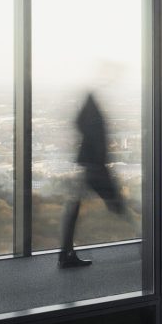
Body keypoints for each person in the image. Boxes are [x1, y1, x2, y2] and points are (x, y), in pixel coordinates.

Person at [58, 91, 127, 268]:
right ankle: (147, 241)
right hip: (95, 166)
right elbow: (98, 140)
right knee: (116, 203)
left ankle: (66, 252)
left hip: (90, 165)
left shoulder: (88, 111)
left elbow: (80, 125)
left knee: (76, 207)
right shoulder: (93, 109)